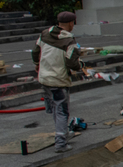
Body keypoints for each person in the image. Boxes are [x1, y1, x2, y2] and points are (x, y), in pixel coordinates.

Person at [32, 11, 85, 153]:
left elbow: (35, 51)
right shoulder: (69, 40)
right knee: (62, 110)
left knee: (55, 109)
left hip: (44, 78)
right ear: (70, 23)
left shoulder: (44, 34)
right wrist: (81, 65)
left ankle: (62, 134)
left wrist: (37, 63)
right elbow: (72, 63)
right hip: (58, 79)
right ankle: (61, 143)